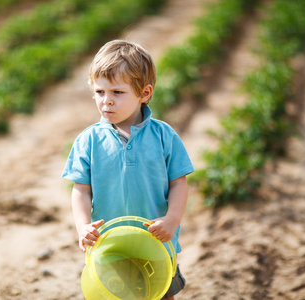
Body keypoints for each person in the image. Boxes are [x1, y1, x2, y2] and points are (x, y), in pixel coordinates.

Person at [62, 39, 194, 299]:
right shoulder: (88, 141)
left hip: (156, 244)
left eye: (117, 93)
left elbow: (179, 183)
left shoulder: (164, 136)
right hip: (110, 246)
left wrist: (171, 220)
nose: (106, 101)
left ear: (144, 94)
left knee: (160, 294)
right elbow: (81, 190)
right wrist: (83, 226)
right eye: (100, 92)